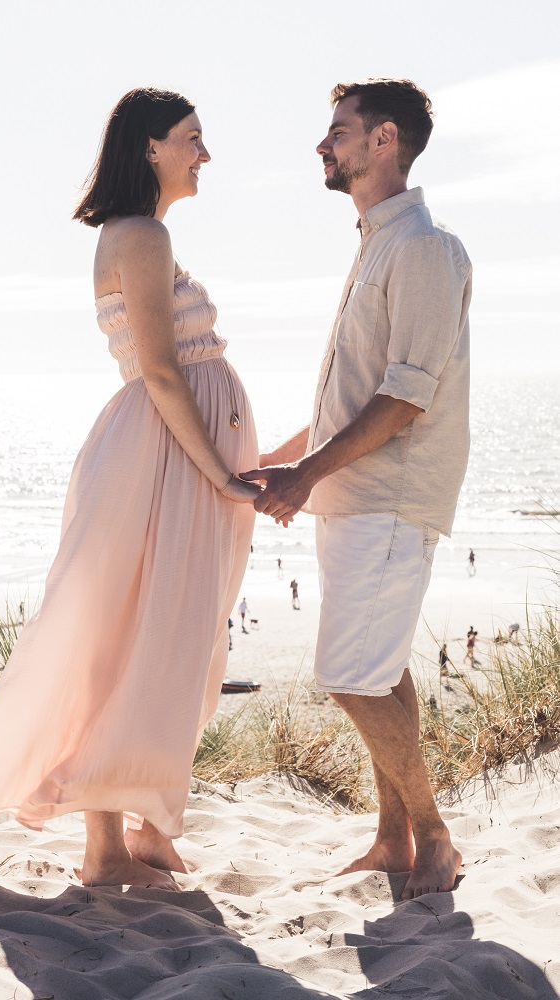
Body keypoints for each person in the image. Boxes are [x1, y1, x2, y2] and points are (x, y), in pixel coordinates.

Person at [0, 88, 260, 890]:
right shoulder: (144, 237)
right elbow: (163, 373)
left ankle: (136, 836)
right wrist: (219, 469)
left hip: (159, 452)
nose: (205, 154)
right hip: (165, 457)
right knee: (154, 639)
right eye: (193, 139)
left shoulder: (135, 236)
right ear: (151, 148)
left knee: (144, 639)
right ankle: (122, 840)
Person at [242, 78, 470, 900]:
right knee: (383, 667)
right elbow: (346, 401)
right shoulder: (375, 243)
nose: (322, 144)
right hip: (354, 496)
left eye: (336, 130)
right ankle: (392, 837)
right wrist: (282, 460)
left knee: (349, 673)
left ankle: (435, 835)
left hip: (391, 496)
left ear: (384, 141)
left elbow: (405, 398)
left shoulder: (422, 248)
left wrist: (306, 476)